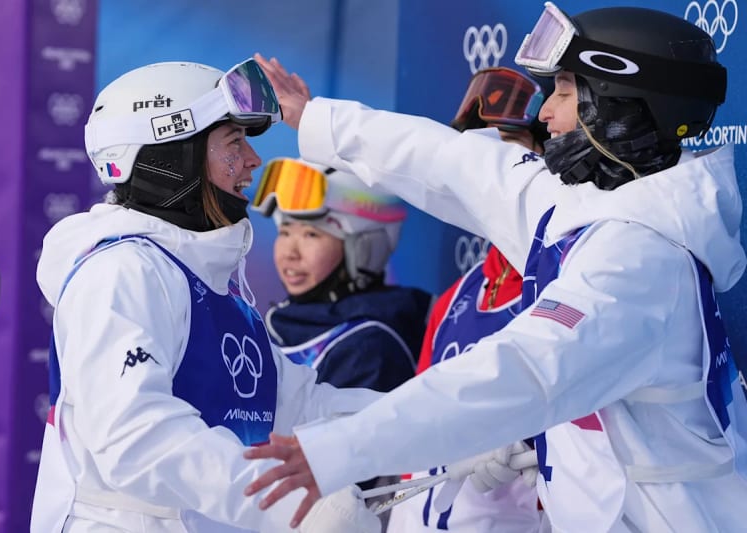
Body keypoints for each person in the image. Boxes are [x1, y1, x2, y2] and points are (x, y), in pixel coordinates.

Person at [244, 4, 747, 532]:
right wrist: (316, 117)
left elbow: (521, 373)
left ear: (621, 109)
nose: (546, 113)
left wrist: (339, 450)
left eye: (566, 92)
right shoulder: (586, 208)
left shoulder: (638, 264)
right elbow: (451, 163)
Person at [30, 59, 385, 533]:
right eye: (234, 143)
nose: (253, 161)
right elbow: (135, 437)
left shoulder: (215, 284)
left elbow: (302, 409)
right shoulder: (123, 272)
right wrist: (292, 506)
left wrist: (448, 433)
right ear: (172, 159)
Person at [386, 66, 551, 533]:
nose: (487, 175)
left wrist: (538, 453)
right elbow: (412, 457)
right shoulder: (453, 300)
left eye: (507, 154)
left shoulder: (575, 285)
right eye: (474, 157)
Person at [254, 158, 431, 392]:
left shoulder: (367, 346)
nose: (290, 253)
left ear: (362, 248)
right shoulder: (284, 322)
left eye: (311, 235)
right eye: (285, 232)